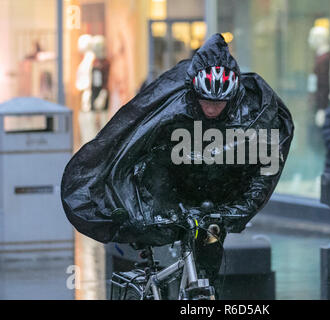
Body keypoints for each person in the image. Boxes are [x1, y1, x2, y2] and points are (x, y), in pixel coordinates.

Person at [61, 33, 294, 294]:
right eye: (206, 102)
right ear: (194, 93)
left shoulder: (253, 110)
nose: (212, 110)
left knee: (208, 266)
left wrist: (238, 210)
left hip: (216, 191)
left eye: (220, 104)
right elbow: (145, 154)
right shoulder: (173, 106)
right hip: (172, 183)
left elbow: (264, 169)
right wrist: (151, 208)